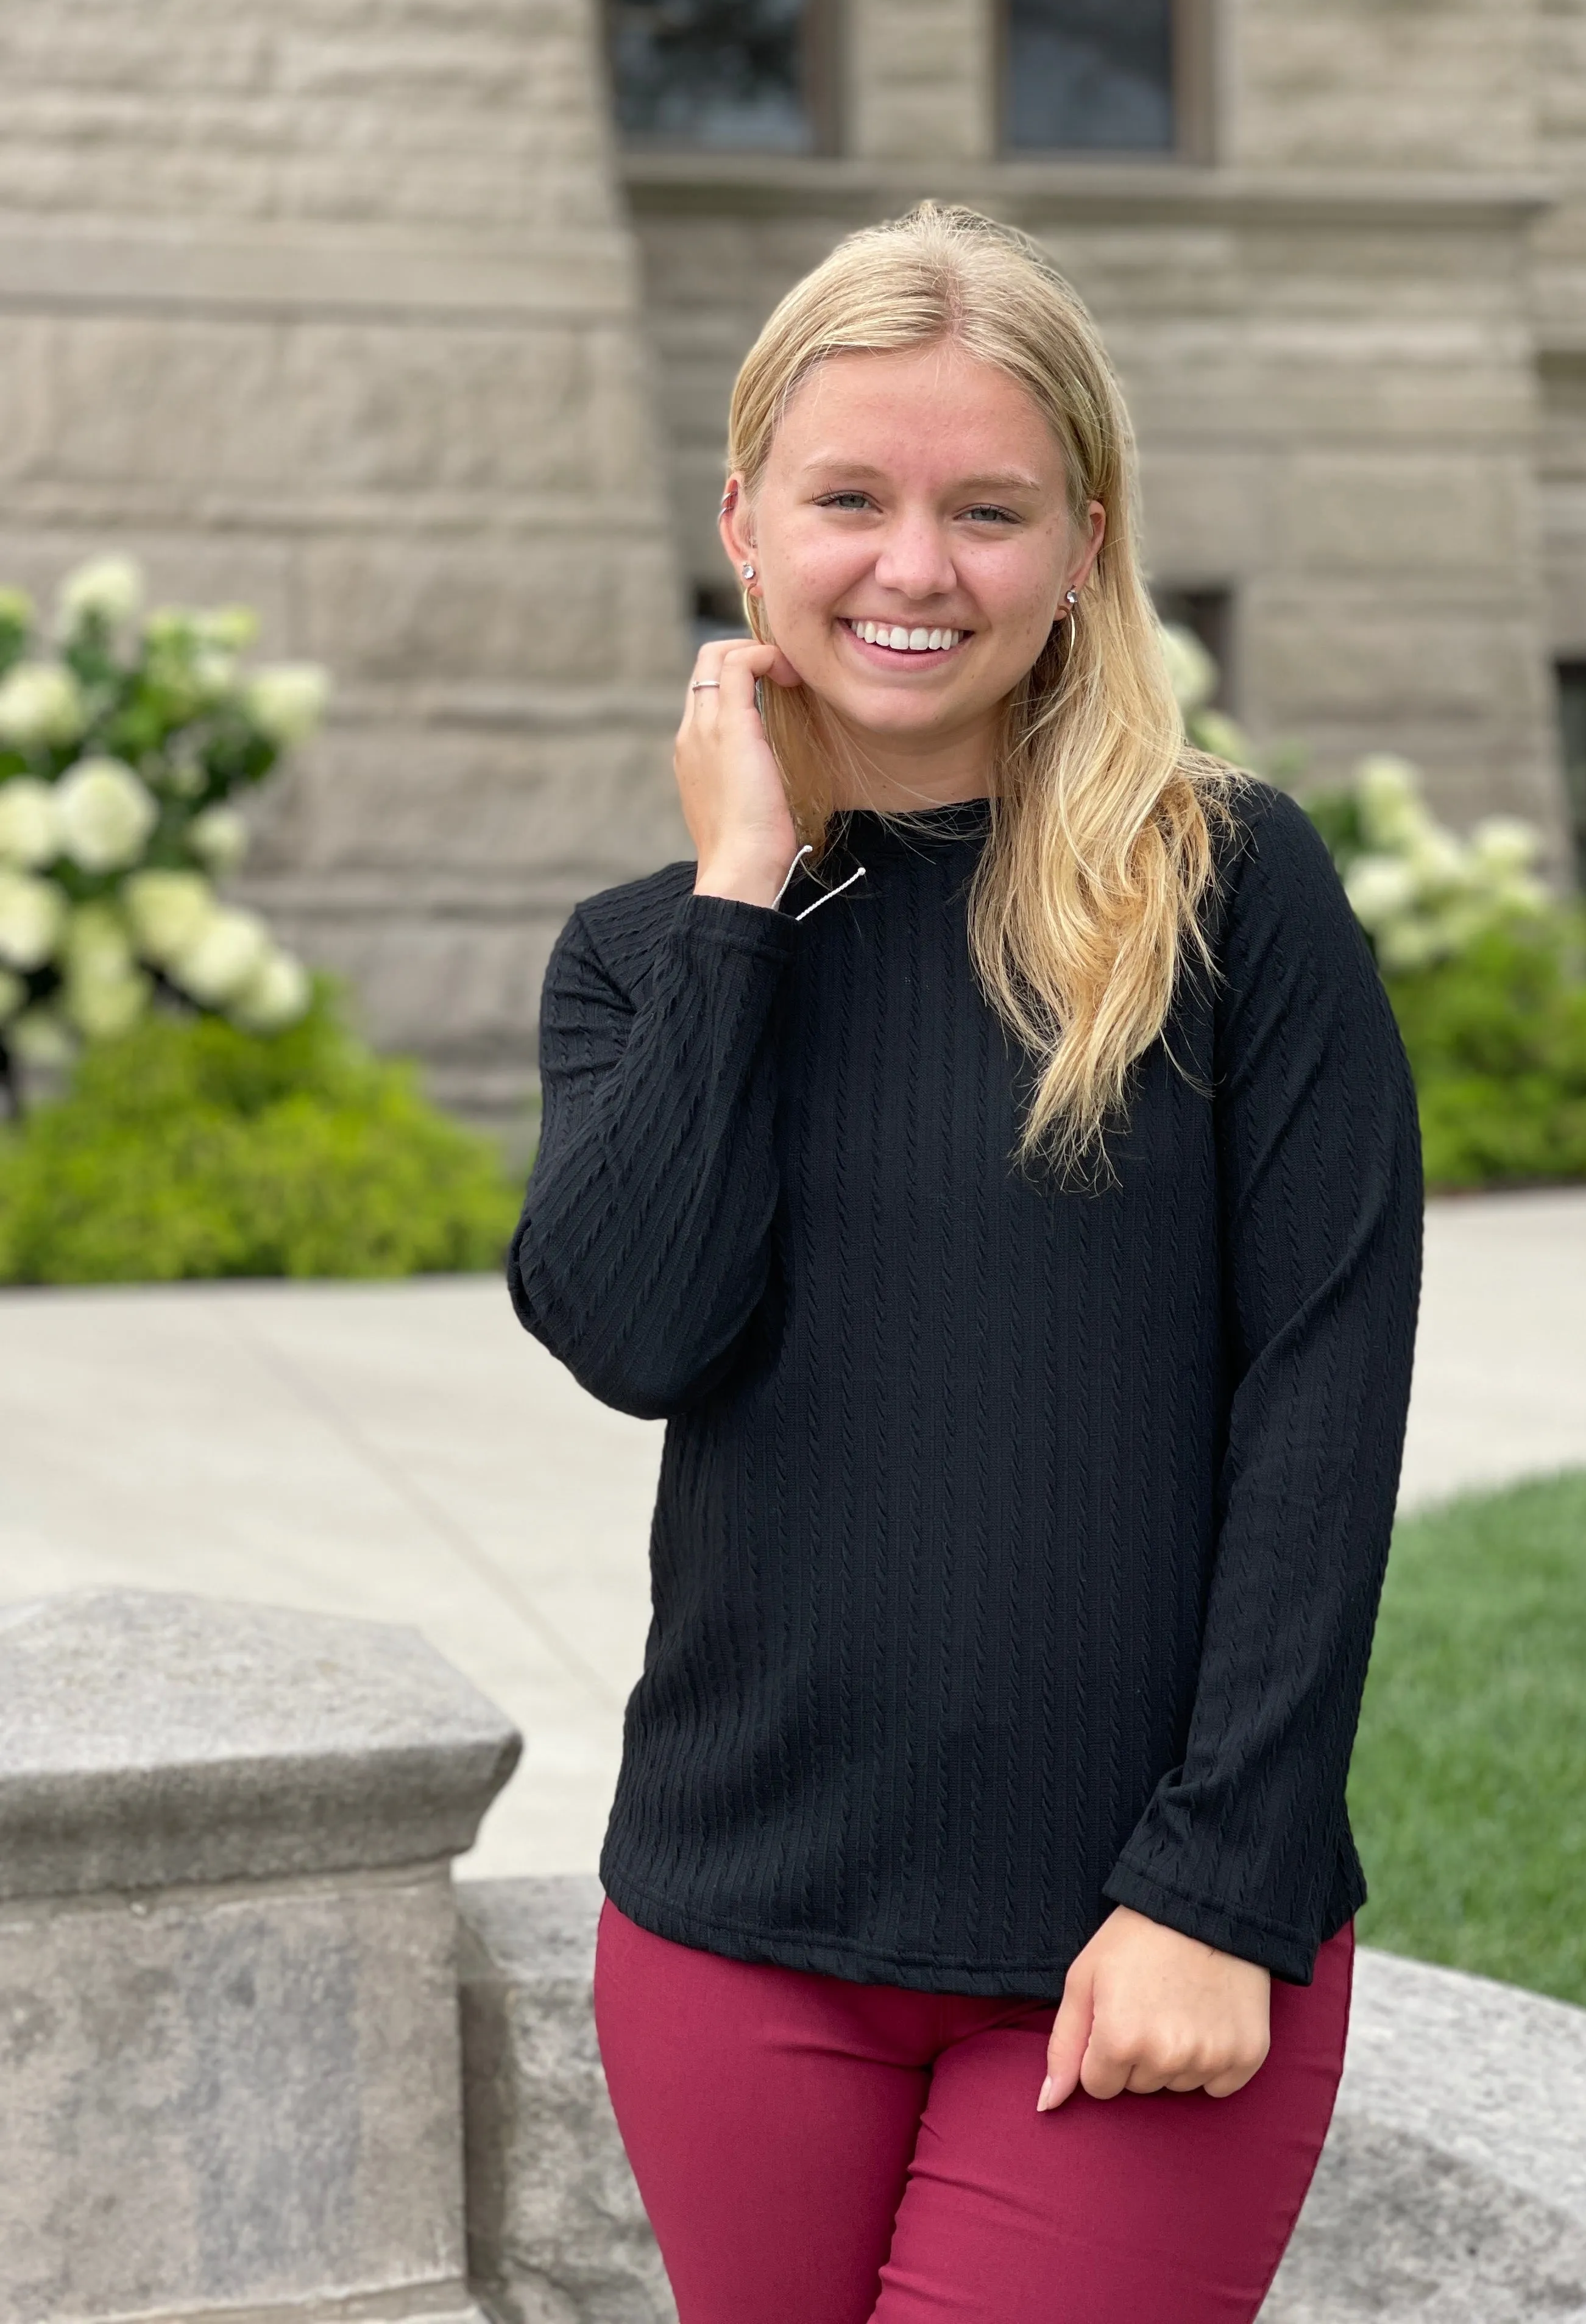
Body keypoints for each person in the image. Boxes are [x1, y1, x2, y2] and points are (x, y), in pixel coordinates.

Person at [508, 201, 1422, 2324]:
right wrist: (747, 884)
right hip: (733, 1934)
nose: (915, 569)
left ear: (1086, 545)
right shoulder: (647, 959)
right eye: (852, 499)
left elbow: (1325, 1394)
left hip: (1133, 1948)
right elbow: (630, 1332)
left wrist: (1221, 1883)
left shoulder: (1227, 890)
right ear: (747, 521)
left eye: (988, 510)